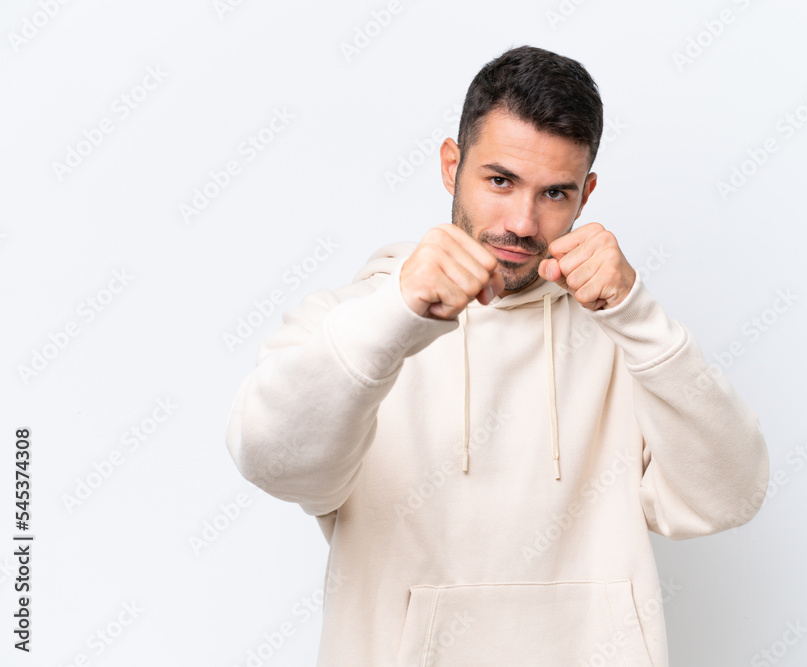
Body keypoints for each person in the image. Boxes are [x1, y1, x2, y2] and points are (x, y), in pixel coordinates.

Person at [225, 44, 770, 667]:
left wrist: (635, 313)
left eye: (555, 193)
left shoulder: (625, 337)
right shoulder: (354, 321)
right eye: (500, 181)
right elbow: (270, 461)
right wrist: (396, 314)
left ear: (586, 195)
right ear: (451, 165)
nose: (522, 222)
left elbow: (730, 496)